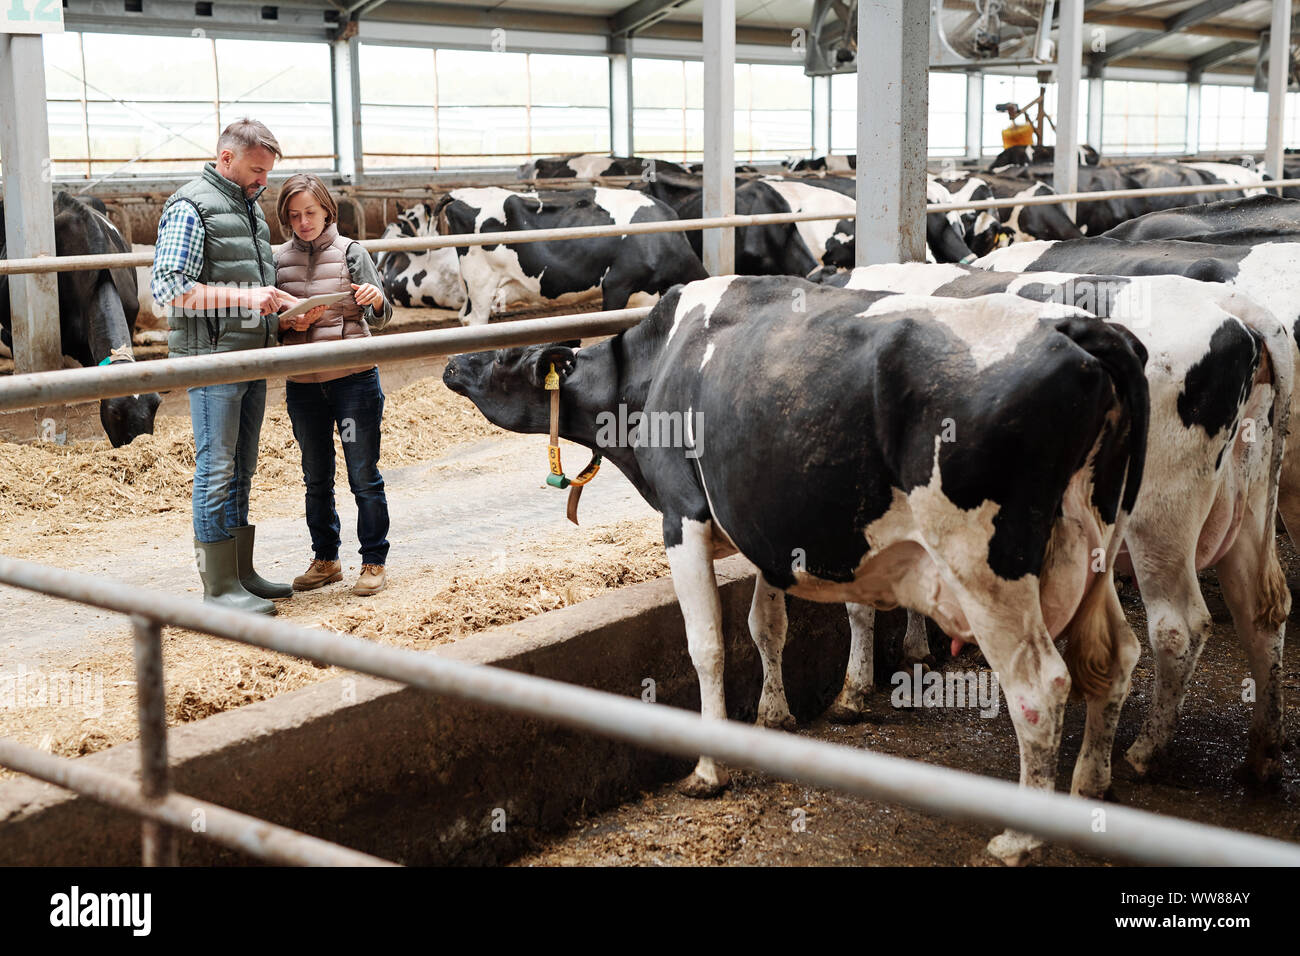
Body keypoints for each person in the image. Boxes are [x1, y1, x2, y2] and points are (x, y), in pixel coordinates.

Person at [152, 118, 296, 615]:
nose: (264, 182)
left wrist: (280, 305)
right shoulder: (191, 205)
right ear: (226, 158)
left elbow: (245, 284)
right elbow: (169, 290)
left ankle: (240, 572)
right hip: (212, 359)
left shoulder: (250, 211)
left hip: (250, 353)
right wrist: (246, 298)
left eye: (268, 173)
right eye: (257, 170)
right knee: (215, 466)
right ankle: (217, 589)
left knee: (242, 467)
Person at [274, 173, 393, 596]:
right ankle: (326, 559)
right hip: (304, 383)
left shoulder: (351, 253)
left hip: (353, 380)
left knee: (363, 472)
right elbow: (270, 327)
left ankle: (373, 560)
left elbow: (383, 313)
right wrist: (287, 321)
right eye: (294, 215)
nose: (303, 222)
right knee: (316, 475)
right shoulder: (277, 259)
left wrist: (375, 300)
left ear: (326, 209)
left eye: (310, 212)